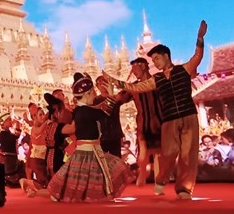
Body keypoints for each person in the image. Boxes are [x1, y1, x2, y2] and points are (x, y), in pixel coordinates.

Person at [102, 19, 207, 199]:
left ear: (166, 56)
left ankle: (184, 189)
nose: (155, 63)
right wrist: (113, 81)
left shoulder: (185, 69)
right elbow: (134, 88)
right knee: (168, 153)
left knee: (187, 155)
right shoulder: (155, 80)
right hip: (169, 120)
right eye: (153, 60)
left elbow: (197, 57)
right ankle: (161, 180)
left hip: (189, 116)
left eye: (157, 59)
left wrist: (199, 38)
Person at [26, 73, 134, 202]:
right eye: (93, 92)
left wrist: (111, 96)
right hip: (89, 152)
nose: (95, 94)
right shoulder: (84, 111)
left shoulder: (81, 110)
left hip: (90, 151)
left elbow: (100, 109)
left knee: (68, 185)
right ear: (87, 94)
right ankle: (36, 191)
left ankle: (36, 192)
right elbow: (104, 111)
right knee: (68, 186)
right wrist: (111, 96)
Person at [128, 57, 163, 186]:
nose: (133, 72)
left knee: (159, 154)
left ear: (143, 66)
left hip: (159, 124)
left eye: (135, 69)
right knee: (143, 154)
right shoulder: (133, 87)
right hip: (143, 125)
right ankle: (142, 173)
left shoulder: (158, 81)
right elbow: (119, 99)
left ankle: (158, 182)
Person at [94, 75, 132, 157]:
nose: (103, 84)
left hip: (115, 135)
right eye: (100, 83)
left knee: (116, 160)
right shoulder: (95, 101)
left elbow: (128, 93)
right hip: (101, 136)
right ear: (97, 86)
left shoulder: (116, 98)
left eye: (104, 82)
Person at [0, 112, 25, 187]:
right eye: (9, 120)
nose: (11, 122)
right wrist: (17, 125)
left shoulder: (7, 134)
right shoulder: (2, 135)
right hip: (8, 161)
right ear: (3, 123)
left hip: (11, 160)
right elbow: (14, 138)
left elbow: (15, 137)